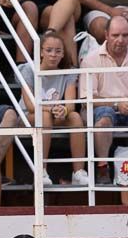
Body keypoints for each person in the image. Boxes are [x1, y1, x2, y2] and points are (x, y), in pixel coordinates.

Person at [84, 15, 128, 181]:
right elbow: (88, 99)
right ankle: (102, 168)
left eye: (125, 35)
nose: (120, 40)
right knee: (105, 114)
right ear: (106, 34)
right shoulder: (91, 60)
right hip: (103, 110)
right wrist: (116, 105)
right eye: (115, 35)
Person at [18, 30, 89, 186]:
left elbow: (70, 104)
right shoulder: (29, 69)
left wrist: (64, 110)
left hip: (52, 115)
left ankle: (78, 172)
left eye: (58, 51)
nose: (53, 55)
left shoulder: (68, 72)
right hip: (27, 117)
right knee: (44, 116)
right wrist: (51, 109)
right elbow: (30, 106)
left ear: (63, 54)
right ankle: (41, 170)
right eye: (48, 50)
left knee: (75, 117)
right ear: (41, 52)